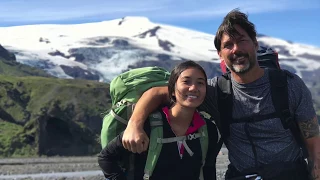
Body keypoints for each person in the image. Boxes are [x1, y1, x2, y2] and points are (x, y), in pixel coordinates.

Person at [120, 9, 320, 180]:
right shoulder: (215, 90)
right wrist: (134, 124)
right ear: (220, 54)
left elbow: (312, 141)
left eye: (242, 41)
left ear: (255, 45)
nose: (236, 50)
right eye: (228, 45)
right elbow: (158, 93)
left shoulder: (288, 84)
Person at [98, 60, 222, 180]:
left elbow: (208, 169)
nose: (193, 88)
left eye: (200, 83)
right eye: (186, 82)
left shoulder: (208, 129)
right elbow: (106, 158)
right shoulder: (149, 125)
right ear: (172, 90)